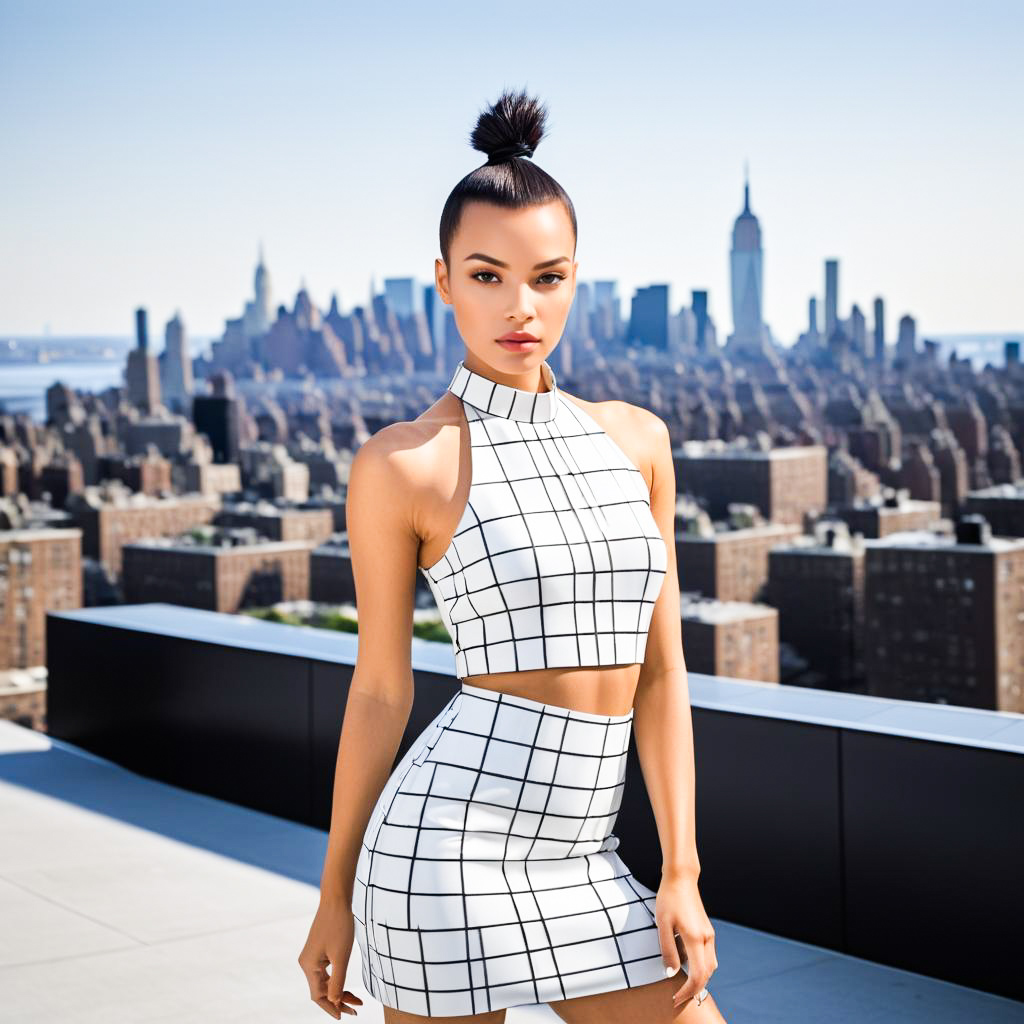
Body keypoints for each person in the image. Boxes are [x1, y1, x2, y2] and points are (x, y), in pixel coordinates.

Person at [298, 87, 723, 1022]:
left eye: (548, 277)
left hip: (586, 855)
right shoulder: (403, 462)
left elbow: (661, 675)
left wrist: (681, 870)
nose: (519, 306)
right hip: (444, 852)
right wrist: (334, 895)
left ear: (577, 280)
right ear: (443, 280)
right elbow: (379, 689)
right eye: (487, 276)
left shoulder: (638, 441)